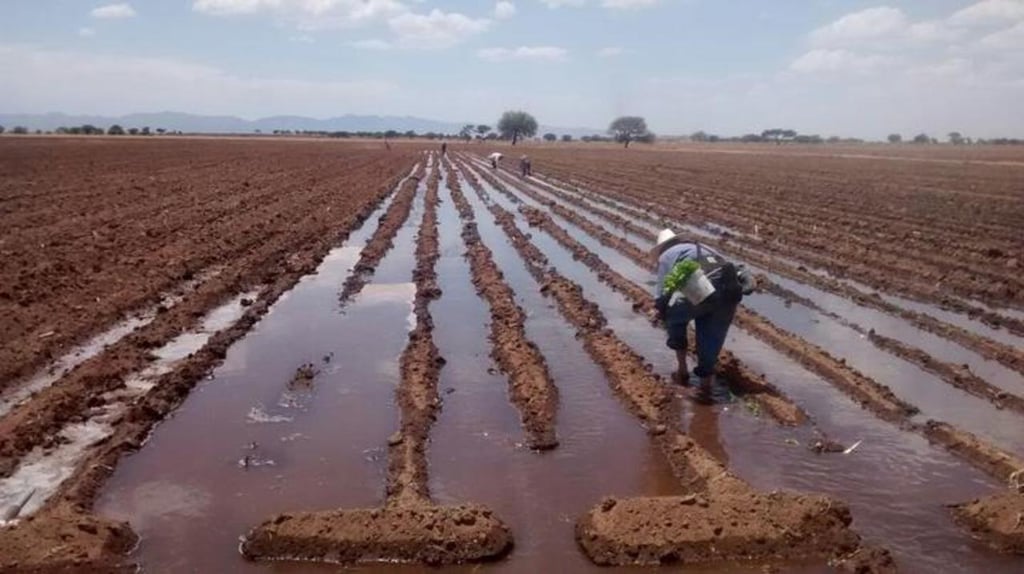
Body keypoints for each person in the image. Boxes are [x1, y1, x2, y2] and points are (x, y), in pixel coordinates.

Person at [653, 229, 753, 402]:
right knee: (712, 336)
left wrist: (662, 312)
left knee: (673, 318)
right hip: (728, 289)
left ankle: (682, 370)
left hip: (700, 285)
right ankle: (706, 386)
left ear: (662, 247)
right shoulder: (704, 247)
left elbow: (662, 293)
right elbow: (733, 267)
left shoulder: (666, 256)